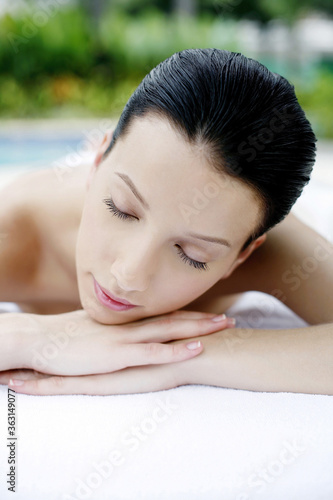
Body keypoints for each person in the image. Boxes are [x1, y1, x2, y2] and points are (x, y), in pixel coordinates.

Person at [0, 48, 332, 396]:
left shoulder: (258, 240)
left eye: (192, 254)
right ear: (97, 161)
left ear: (242, 255)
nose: (129, 275)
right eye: (122, 210)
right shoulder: (16, 227)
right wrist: (29, 336)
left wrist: (179, 356)